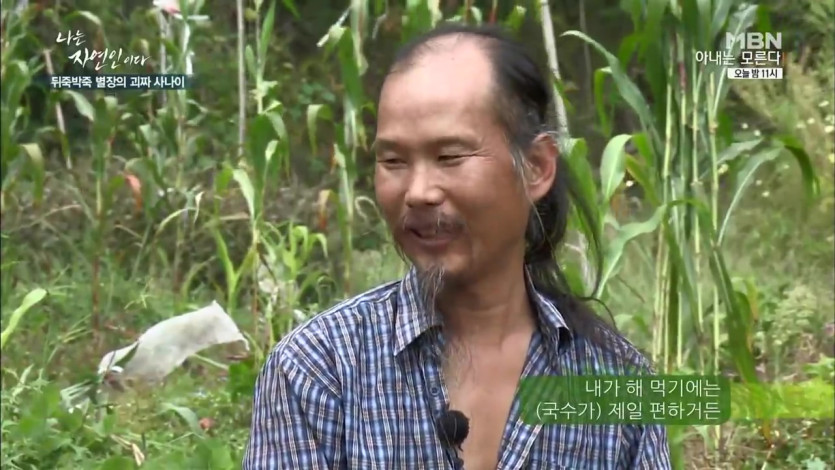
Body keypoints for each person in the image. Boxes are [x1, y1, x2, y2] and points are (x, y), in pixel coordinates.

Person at [243, 23, 671, 470]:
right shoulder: (318, 370)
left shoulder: (616, 379)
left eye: (450, 157)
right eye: (392, 161)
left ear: (537, 168)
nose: (418, 192)